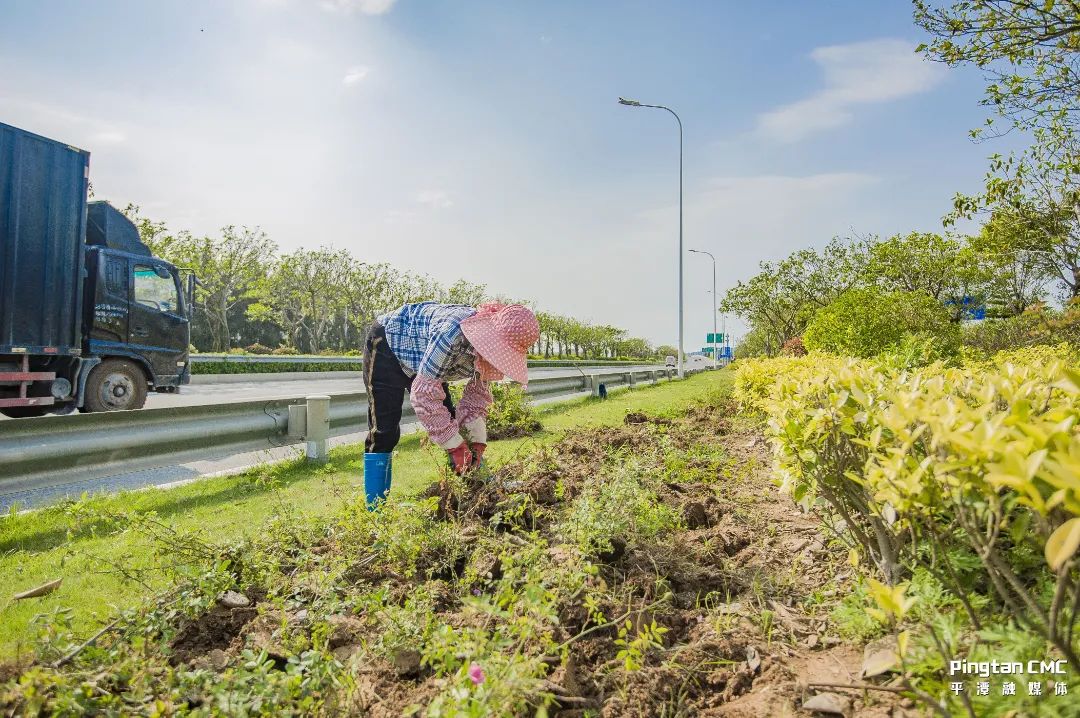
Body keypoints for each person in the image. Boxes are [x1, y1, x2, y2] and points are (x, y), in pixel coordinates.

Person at [361, 301, 540, 507]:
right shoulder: (452, 334)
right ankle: (375, 508)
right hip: (388, 344)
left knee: (450, 420)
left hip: (422, 360)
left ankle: (477, 488)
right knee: (384, 429)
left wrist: (476, 443)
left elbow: (476, 400)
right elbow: (423, 396)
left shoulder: (489, 352)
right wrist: (454, 446)